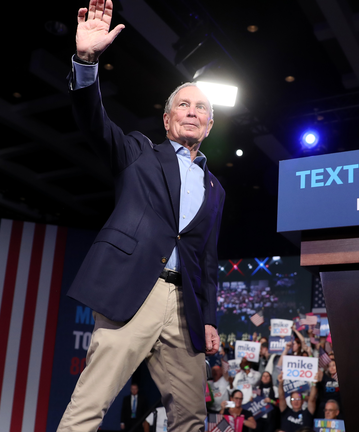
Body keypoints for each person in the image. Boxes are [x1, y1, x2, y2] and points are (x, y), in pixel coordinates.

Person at [57, 1, 225, 431]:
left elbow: (206, 260)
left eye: (201, 108)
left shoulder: (215, 188)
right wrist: (87, 60)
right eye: (183, 105)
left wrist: (208, 318)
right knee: (90, 405)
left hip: (186, 307)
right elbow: (94, 122)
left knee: (191, 417)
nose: (192, 111)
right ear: (167, 120)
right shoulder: (138, 153)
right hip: (135, 291)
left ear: (209, 126)